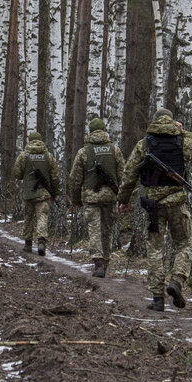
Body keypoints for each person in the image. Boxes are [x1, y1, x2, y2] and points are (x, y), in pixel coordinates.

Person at [118, 107, 192, 312]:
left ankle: (157, 298)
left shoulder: (144, 144)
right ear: (172, 122)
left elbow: (130, 173)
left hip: (152, 205)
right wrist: (183, 132)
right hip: (176, 202)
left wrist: (124, 199)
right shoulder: (182, 142)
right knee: (184, 243)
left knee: (155, 249)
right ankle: (177, 280)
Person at [67, 117, 123, 277]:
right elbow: (123, 175)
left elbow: (75, 179)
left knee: (94, 230)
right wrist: (123, 198)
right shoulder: (114, 150)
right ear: (104, 131)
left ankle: (98, 261)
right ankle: (105, 262)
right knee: (107, 230)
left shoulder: (84, 152)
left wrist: (76, 199)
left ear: (90, 132)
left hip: (91, 197)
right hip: (110, 197)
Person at [13, 130, 60, 256]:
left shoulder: (24, 156)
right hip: (43, 193)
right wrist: (54, 193)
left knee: (28, 217)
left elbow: (17, 174)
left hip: (28, 193)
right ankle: (41, 242)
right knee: (42, 217)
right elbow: (55, 176)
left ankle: (28, 244)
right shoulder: (48, 156)